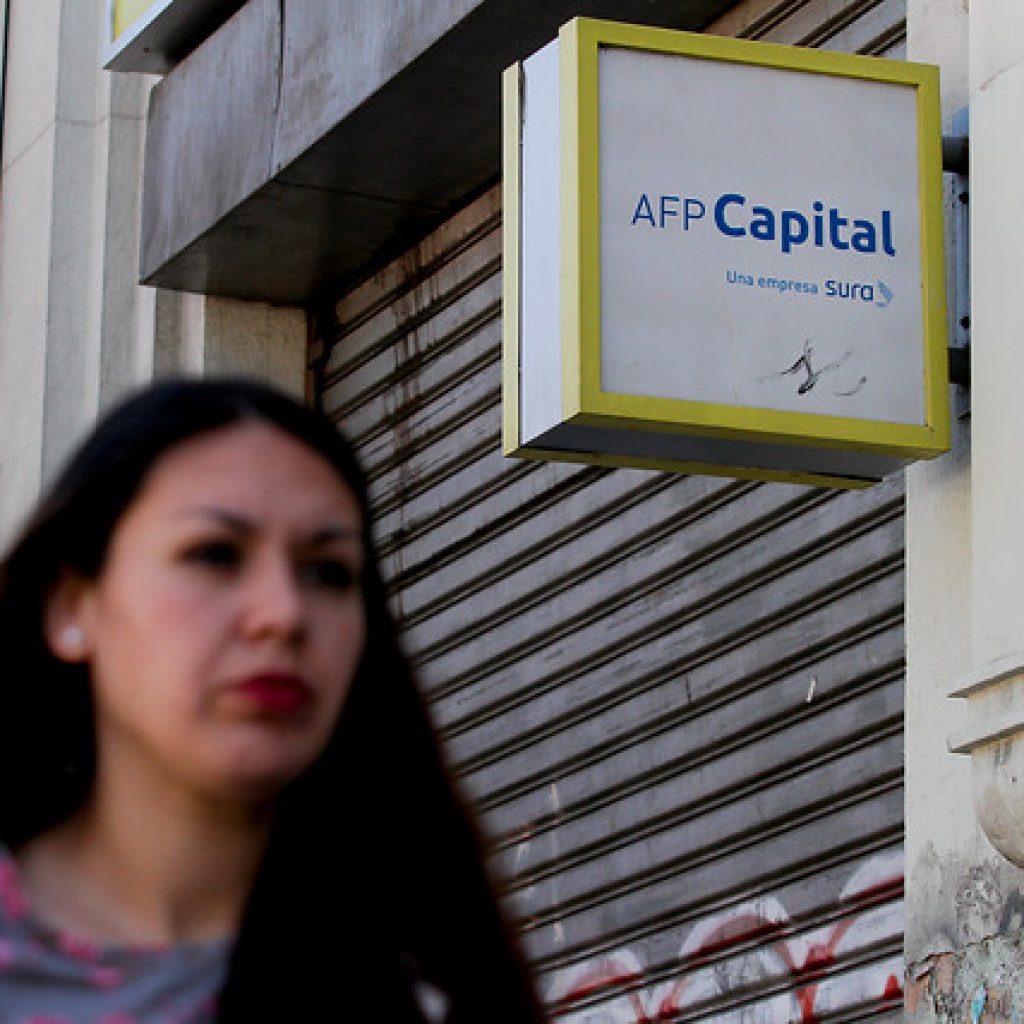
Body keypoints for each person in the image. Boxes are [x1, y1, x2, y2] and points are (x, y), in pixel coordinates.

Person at [0, 377, 546, 1023]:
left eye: (328, 571)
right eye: (215, 554)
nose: (284, 613)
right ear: (71, 605)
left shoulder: (429, 983)